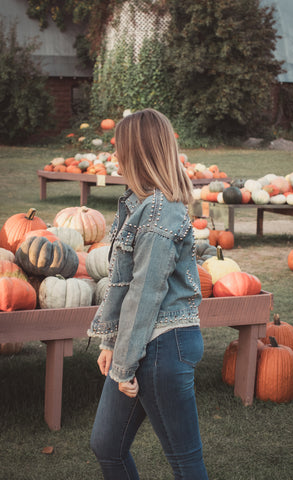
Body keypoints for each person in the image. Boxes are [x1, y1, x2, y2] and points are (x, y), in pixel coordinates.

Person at [87, 108, 208, 480]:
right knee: (106, 444)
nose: (115, 157)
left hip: (162, 346)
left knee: (185, 462)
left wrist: (123, 365)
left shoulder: (160, 210)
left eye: (120, 148)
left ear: (138, 153)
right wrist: (110, 343)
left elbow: (145, 293)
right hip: (139, 341)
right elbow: (122, 284)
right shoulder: (137, 204)